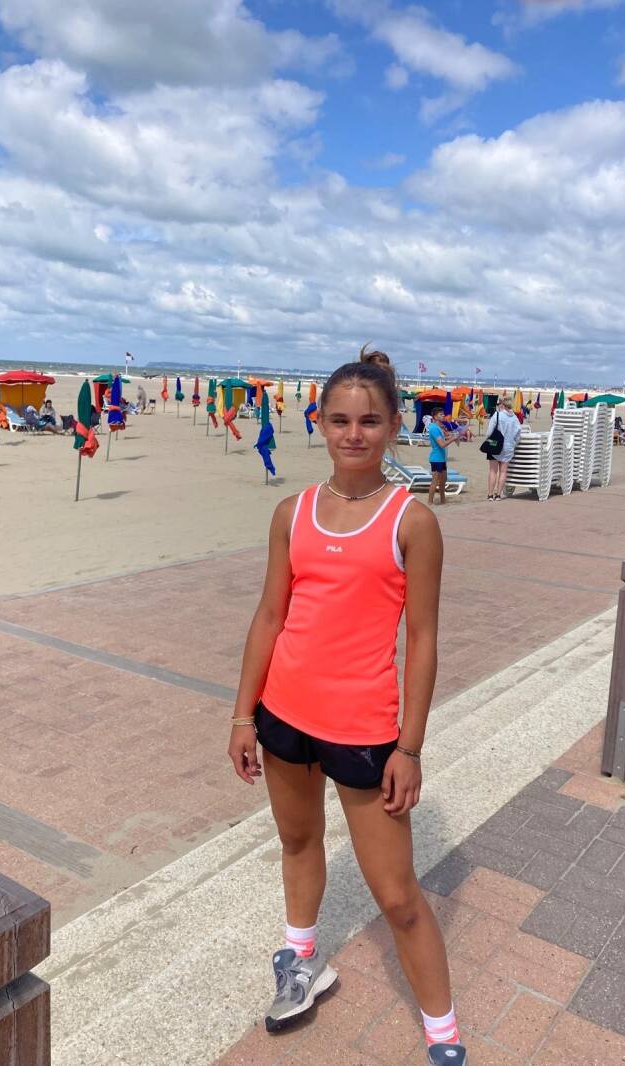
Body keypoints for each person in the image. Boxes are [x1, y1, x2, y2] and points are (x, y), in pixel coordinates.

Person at [227, 361, 467, 1065]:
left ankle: (443, 1032)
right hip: (283, 716)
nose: (353, 434)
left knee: (397, 896)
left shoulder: (412, 521)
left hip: (364, 730)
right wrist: (243, 716)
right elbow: (270, 616)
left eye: (369, 420)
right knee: (298, 842)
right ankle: (301, 961)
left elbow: (422, 640)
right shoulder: (292, 512)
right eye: (339, 420)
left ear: (393, 426)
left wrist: (410, 748)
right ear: (321, 424)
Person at [486, 398, 521, 500]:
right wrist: (513, 443)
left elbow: (489, 432)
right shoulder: (515, 418)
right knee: (503, 472)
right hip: (508, 447)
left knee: (493, 471)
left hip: (494, 445)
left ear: (503, 405)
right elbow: (518, 434)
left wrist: (489, 440)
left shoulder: (497, 415)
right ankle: (498, 495)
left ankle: (490, 494)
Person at [427, 407, 454, 505]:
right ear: (435, 417)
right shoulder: (433, 428)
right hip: (436, 458)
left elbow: (444, 438)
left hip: (441, 458)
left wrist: (450, 436)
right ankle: (430, 502)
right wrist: (453, 439)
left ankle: (443, 501)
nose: (443, 416)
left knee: (443, 481)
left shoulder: (438, 427)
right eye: (440, 414)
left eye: (443, 414)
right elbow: (442, 444)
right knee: (435, 481)